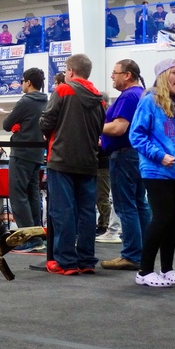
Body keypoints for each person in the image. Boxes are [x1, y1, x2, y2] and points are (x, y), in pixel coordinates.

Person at [129, 59, 175, 288]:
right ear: (163, 75)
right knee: (161, 218)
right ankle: (144, 271)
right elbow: (136, 136)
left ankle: (167, 269)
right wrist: (159, 155)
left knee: (172, 221)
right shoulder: (149, 101)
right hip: (156, 170)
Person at [39, 54, 105, 275]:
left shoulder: (63, 90)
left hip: (61, 159)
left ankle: (65, 261)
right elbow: (100, 128)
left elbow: (46, 122)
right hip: (88, 161)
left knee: (63, 211)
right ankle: (86, 261)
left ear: (70, 71)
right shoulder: (100, 98)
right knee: (87, 212)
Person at [100, 60, 150, 272]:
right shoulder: (142, 94)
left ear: (127, 75)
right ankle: (144, 251)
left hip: (124, 156)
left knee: (125, 206)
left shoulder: (129, 96)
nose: (112, 76)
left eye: (115, 73)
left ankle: (131, 254)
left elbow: (119, 128)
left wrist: (93, 127)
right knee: (139, 204)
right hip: (136, 155)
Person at [2, 67, 47, 252]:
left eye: (22, 81)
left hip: (21, 153)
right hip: (37, 154)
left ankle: (29, 237)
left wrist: (19, 126)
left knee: (18, 195)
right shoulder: (47, 101)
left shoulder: (25, 101)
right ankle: (37, 236)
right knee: (33, 194)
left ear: (28, 82)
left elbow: (6, 125)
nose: (21, 84)